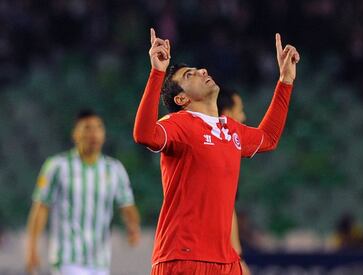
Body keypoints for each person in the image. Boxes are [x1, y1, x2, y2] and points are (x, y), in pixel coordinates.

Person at [133, 28, 299, 274]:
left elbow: (268, 138)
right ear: (181, 99)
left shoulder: (231, 130)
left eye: (199, 69)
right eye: (190, 75)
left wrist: (285, 81)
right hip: (183, 257)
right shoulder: (179, 124)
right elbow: (144, 135)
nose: (202, 71)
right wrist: (157, 72)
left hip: (226, 261)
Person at [26, 109, 141, 275]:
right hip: (67, 259)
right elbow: (41, 208)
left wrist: (133, 227)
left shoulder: (114, 169)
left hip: (100, 261)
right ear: (75, 134)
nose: (94, 133)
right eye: (87, 128)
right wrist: (31, 249)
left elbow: (127, 205)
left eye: (99, 128)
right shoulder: (57, 166)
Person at [217, 88, 250, 275]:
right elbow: (225, 209)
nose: (244, 117)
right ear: (227, 114)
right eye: (240, 110)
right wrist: (236, 256)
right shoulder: (219, 155)